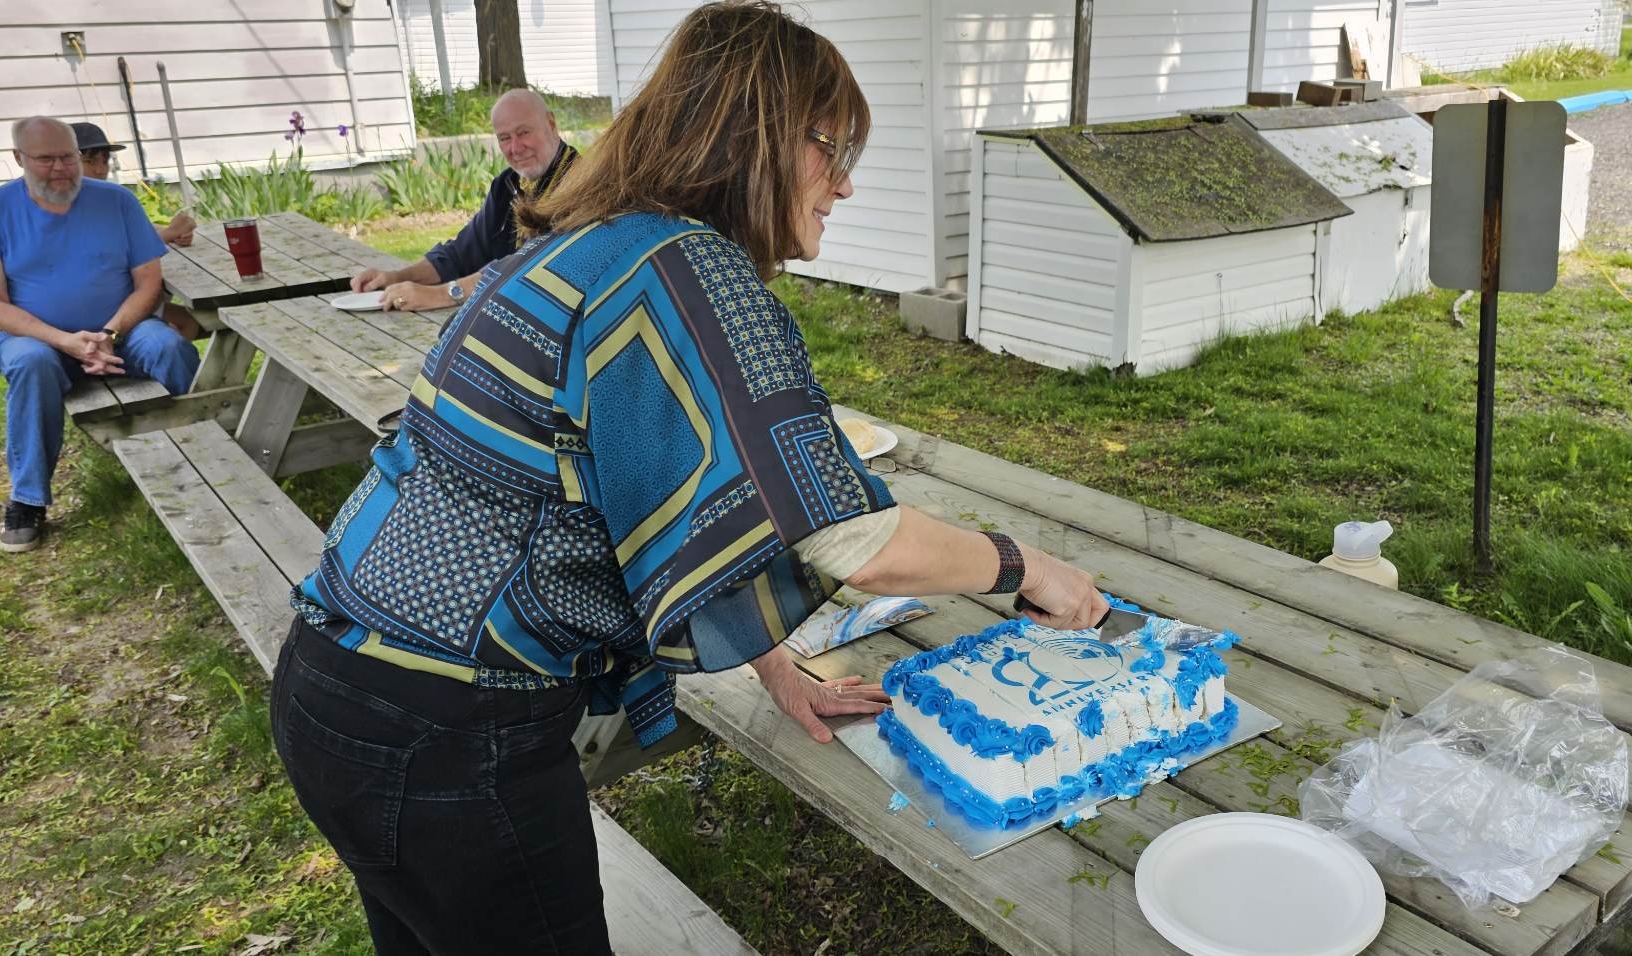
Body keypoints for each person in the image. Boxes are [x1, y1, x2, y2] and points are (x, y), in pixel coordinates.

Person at [269, 3, 1107, 951]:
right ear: (758, 139)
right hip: (452, 736)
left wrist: (775, 667)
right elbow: (855, 543)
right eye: (833, 150)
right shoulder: (687, 271)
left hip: (336, 688)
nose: (844, 185)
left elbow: (677, 497)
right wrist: (1031, 566)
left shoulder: (590, 248)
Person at [0, 117, 200, 552]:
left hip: (122, 332)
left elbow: (148, 284)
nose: (60, 168)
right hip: (37, 339)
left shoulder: (117, 201)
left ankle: (199, 460)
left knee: (169, 347)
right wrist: (66, 341)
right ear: (19, 159)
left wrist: (108, 333)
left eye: (68, 157)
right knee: (30, 365)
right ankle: (27, 500)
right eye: (45, 159)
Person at [348, 88, 576, 313]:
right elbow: (461, 253)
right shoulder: (508, 185)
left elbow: (527, 269)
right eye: (504, 138)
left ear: (551, 124)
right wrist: (395, 278)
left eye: (524, 132)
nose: (515, 148)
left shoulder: (579, 184)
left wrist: (442, 294)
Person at [72, 121, 203, 340]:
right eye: (89, 161)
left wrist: (174, 231)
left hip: (129, 296)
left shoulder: (108, 199)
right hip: (108, 305)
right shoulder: (67, 203)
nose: (100, 169)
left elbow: (136, 229)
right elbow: (116, 240)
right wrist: (170, 233)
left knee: (191, 321)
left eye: (104, 161)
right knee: (189, 322)